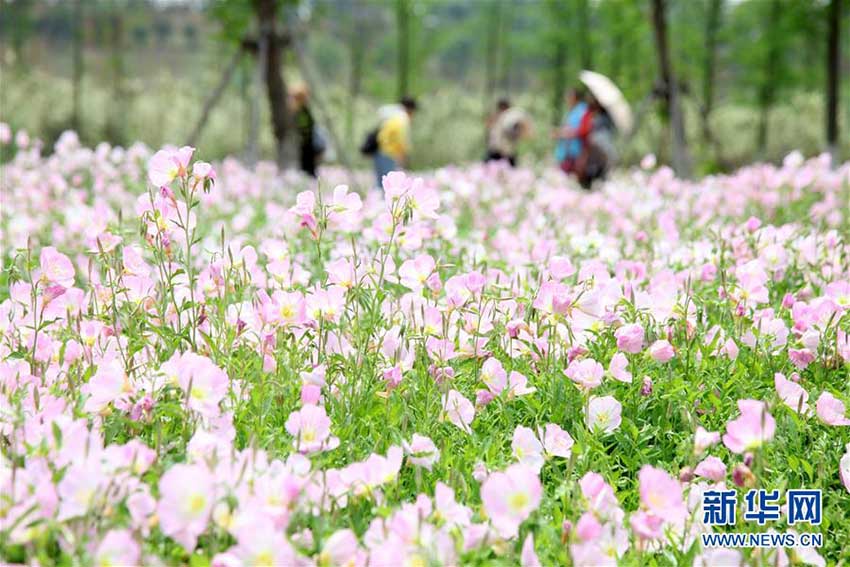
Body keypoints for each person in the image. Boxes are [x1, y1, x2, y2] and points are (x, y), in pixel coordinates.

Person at [372, 97, 417, 188]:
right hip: (388, 153)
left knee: (381, 182)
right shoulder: (402, 119)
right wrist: (402, 156)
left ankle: (378, 201)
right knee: (389, 184)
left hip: (380, 151)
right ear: (410, 109)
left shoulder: (393, 116)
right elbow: (401, 139)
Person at [554, 87, 591, 175]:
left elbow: (579, 131)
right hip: (567, 151)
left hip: (575, 152)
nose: (566, 99)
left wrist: (560, 133)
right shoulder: (573, 111)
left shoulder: (582, 111)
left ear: (574, 97)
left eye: (568, 96)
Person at [290, 85, 324, 177]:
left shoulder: (300, 110)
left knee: (307, 168)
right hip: (307, 143)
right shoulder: (302, 110)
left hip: (306, 143)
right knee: (308, 168)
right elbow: (305, 127)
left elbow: (304, 126)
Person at [485, 98, 530, 166]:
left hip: (507, 152)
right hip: (496, 150)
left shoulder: (512, 119)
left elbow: (523, 133)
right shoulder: (497, 117)